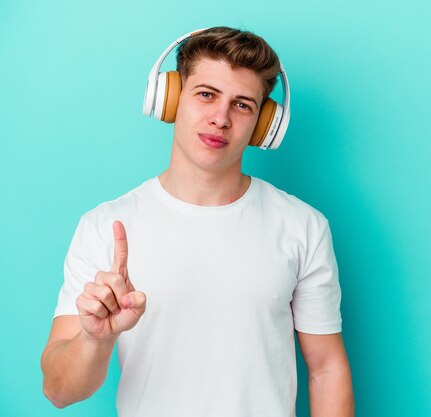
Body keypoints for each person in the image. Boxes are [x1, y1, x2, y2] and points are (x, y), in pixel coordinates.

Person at [40, 26, 354, 417]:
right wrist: (94, 339)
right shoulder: (106, 225)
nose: (221, 118)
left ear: (263, 124)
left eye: (242, 105)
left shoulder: (303, 226)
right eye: (206, 94)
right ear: (170, 99)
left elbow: (326, 367)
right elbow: (58, 391)